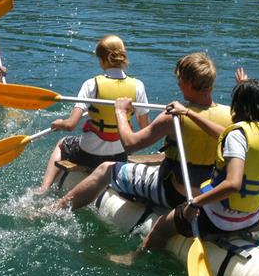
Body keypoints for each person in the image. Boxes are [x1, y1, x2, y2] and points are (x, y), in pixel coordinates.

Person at [110, 79, 259, 265]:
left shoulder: (238, 135)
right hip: (252, 215)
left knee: (162, 226)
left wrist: (194, 204)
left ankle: (133, 258)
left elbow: (233, 184)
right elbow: (223, 134)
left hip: (221, 217)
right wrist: (188, 113)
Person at [52, 52, 232, 214]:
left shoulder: (174, 117)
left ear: (190, 83)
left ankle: (55, 209)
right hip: (209, 192)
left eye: (180, 80)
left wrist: (121, 112)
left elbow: (131, 144)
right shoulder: (230, 115)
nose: (178, 84)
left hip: (173, 193)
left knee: (106, 168)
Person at [37, 35, 151, 194]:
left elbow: (70, 125)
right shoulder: (138, 86)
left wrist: (58, 123)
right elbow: (145, 128)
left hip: (89, 153)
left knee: (63, 143)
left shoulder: (91, 84)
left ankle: (43, 189)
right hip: (120, 154)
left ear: (102, 60)